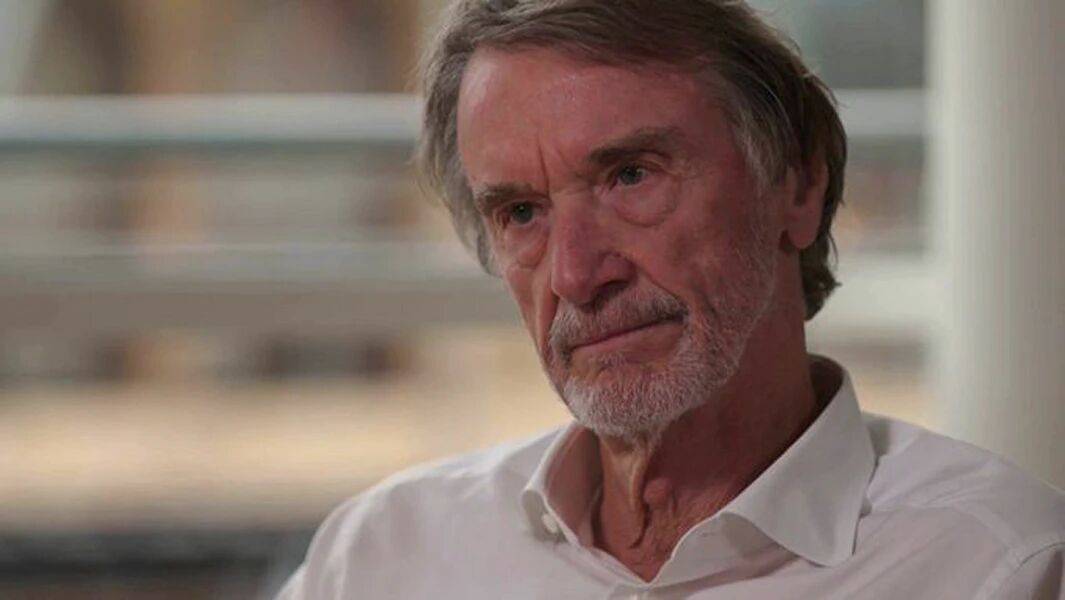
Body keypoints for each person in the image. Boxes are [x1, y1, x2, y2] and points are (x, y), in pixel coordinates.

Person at [278, 1, 1064, 598]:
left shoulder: (997, 566)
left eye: (630, 177)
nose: (576, 275)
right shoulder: (382, 555)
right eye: (520, 213)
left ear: (797, 185)